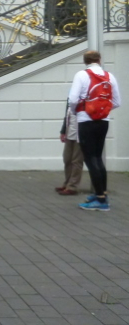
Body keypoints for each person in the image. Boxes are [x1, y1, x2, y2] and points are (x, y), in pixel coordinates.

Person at [68, 50, 121, 211]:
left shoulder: (81, 75)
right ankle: (102, 193)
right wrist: (102, 110)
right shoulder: (109, 76)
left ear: (85, 61)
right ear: (99, 60)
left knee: (90, 159)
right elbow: (117, 102)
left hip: (86, 120)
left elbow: (73, 99)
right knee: (98, 158)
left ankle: (100, 200)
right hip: (103, 121)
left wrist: (77, 111)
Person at [56, 101, 82, 196]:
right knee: (67, 158)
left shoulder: (85, 97)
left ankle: (73, 186)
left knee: (76, 160)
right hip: (70, 132)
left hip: (80, 134)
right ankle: (67, 183)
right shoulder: (71, 98)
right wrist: (63, 131)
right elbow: (67, 115)